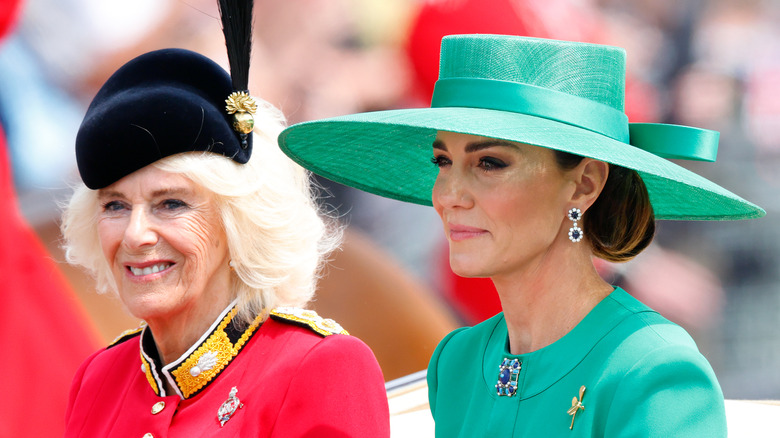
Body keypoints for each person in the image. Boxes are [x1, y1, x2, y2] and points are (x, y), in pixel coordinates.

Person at [278, 34, 764, 436]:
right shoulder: (458, 360)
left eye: (490, 163)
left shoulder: (653, 370)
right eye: (443, 162)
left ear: (584, 184)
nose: (448, 195)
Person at [60, 1, 389, 436]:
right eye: (115, 205)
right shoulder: (98, 379)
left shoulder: (319, 366)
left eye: (171, 204)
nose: (135, 233)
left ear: (239, 221)